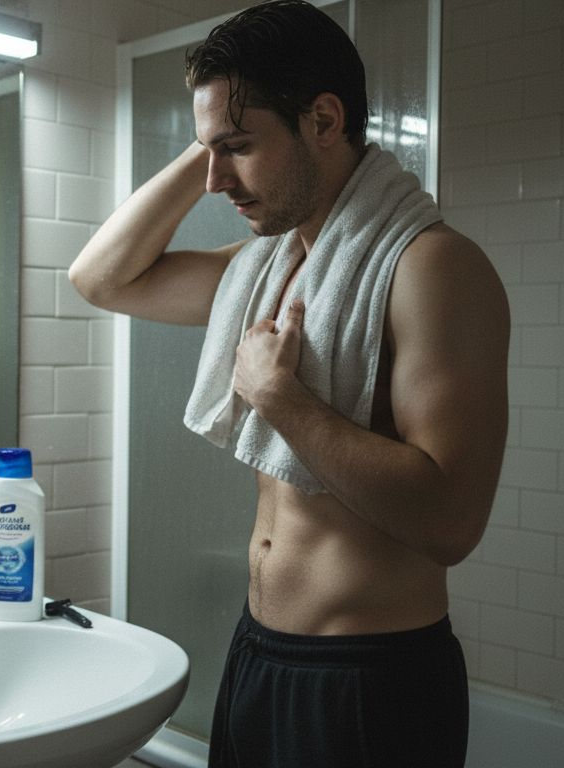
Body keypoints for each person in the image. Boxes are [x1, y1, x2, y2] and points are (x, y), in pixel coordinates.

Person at [68, 2, 508, 766]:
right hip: (260, 652)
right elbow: (99, 278)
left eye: (237, 149)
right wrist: (214, 135)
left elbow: (451, 521)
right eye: (211, 152)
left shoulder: (431, 268)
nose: (215, 182)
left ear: (324, 120)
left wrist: (282, 399)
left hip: (370, 680)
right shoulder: (265, 271)